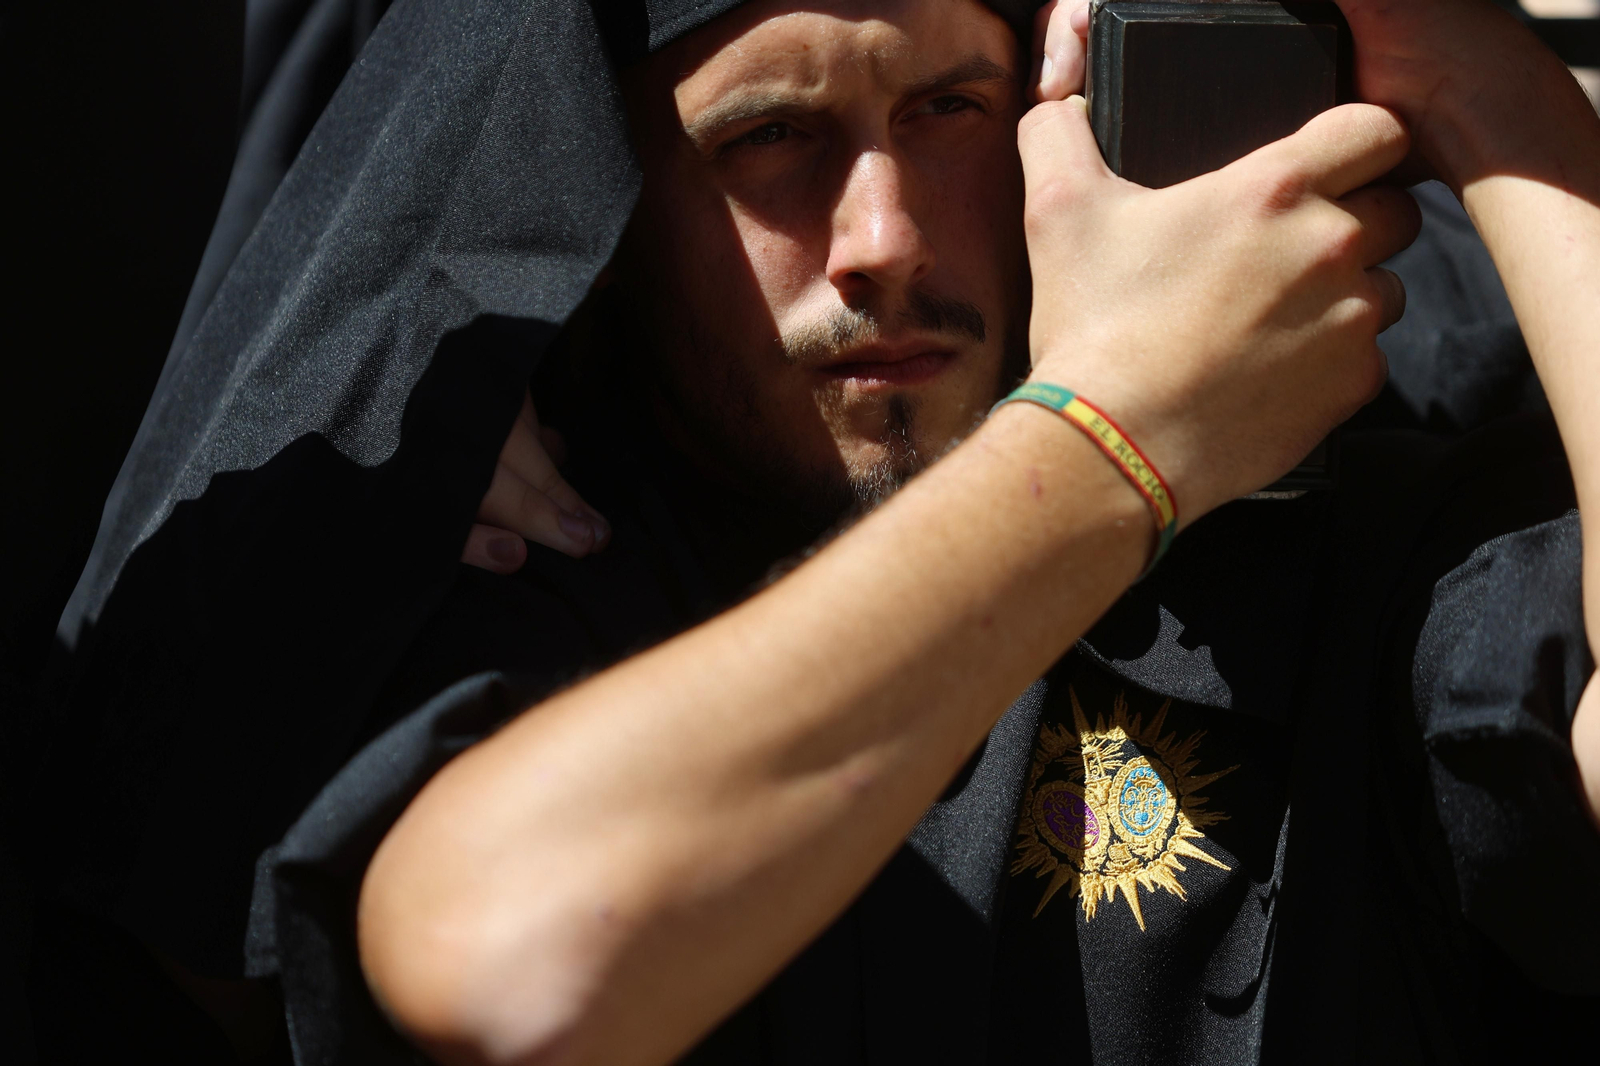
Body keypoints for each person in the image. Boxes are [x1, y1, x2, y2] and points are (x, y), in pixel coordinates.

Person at [24, 1, 1599, 1064]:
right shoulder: (539, 564)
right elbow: (522, 961)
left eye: (949, 108)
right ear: (608, 209)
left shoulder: (1338, 547)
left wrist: (1491, 86)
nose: (885, 235)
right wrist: (1111, 437)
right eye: (771, 137)